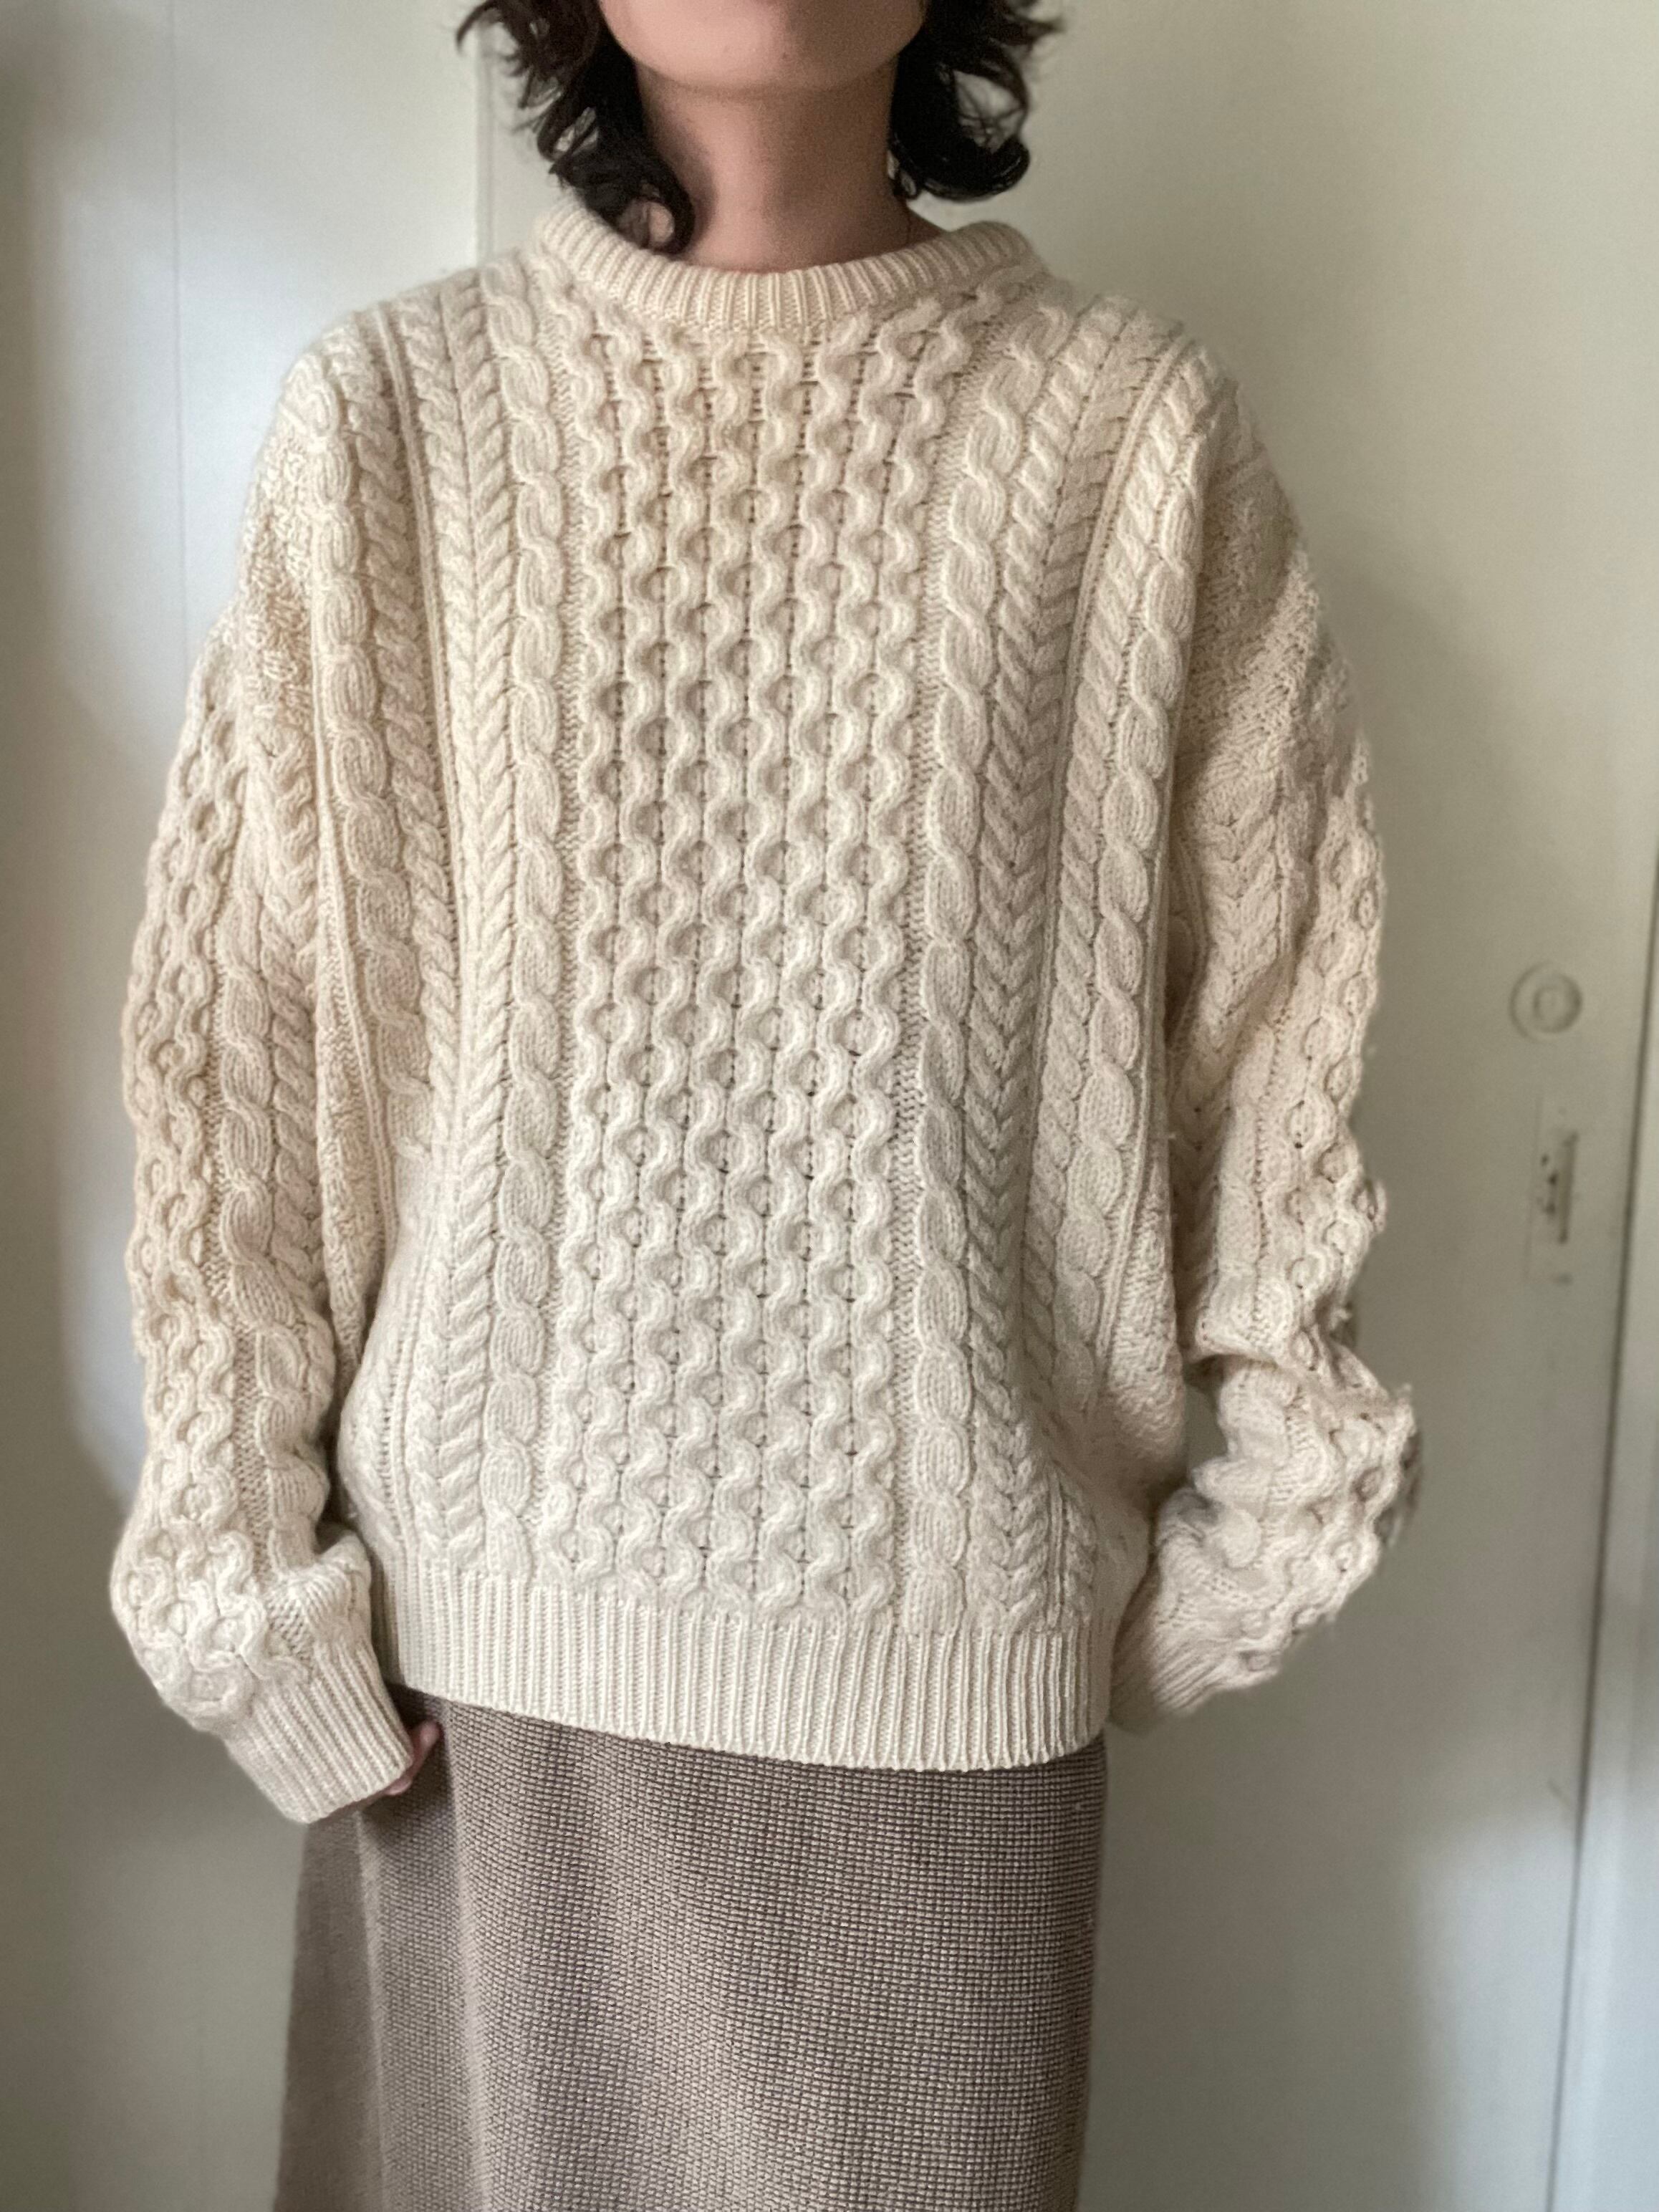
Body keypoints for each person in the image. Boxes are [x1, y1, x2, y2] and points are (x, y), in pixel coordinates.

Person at [108, 2, 1422, 2206]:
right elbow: (245, 1051)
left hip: (944, 1699)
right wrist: (246, 1596)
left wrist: (1266, 1516)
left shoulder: (1127, 437)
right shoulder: (396, 425)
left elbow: (1268, 1020)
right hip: (471, 1700)